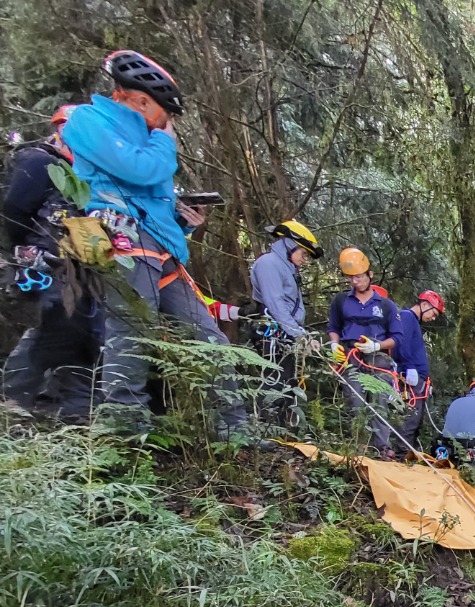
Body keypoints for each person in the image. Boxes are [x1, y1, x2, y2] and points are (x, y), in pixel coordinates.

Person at [63, 50, 248, 439]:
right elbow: (140, 169)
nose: (170, 127)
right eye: (168, 117)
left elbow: (152, 204)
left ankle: (234, 430)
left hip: (163, 253)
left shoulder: (147, 141)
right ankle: (124, 430)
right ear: (144, 102)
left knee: (210, 338)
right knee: (130, 331)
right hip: (121, 242)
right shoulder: (87, 120)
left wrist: (184, 222)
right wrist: (164, 142)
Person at [1, 105, 102, 421]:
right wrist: (29, 252)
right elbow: (14, 211)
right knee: (55, 327)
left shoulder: (81, 176)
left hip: (77, 267)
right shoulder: (40, 161)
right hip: (45, 262)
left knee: (81, 331)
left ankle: (70, 408)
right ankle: (13, 400)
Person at [326, 246, 401, 456]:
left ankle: (383, 448)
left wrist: (377, 346)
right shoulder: (341, 301)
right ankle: (359, 448)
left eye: (358, 276)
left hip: (378, 359)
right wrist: (334, 344)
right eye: (350, 278)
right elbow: (333, 328)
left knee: (380, 402)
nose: (354, 281)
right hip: (351, 357)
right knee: (355, 401)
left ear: (370, 275)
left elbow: (396, 338)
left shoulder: (386, 305)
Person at [249, 219, 322, 425]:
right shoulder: (269, 264)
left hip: (286, 334)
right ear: (289, 245)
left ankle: (285, 431)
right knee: (274, 382)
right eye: (303, 253)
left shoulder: (288, 269)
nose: (305, 259)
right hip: (270, 333)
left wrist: (302, 334)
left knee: (289, 383)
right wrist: (299, 335)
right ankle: (269, 429)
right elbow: (276, 304)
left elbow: (291, 307)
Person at [391, 289, 442, 447]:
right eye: (433, 313)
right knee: (408, 420)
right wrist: (409, 367)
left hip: (417, 381)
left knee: (414, 422)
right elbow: (401, 343)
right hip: (409, 380)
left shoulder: (412, 320)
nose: (432, 318)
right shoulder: (406, 317)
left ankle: (404, 456)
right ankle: (399, 457)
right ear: (424, 304)